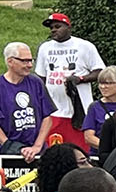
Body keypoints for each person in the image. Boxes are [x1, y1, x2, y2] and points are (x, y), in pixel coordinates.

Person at [34, 12, 103, 148]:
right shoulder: (45, 48)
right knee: (54, 151)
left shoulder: (84, 46)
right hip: (54, 111)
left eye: (58, 26)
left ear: (68, 27)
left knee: (80, 152)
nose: (54, 30)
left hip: (79, 111)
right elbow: (41, 77)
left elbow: (100, 71)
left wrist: (80, 79)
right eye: (51, 28)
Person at [0, 40, 54, 166]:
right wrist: (14, 148)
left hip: (38, 151)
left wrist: (37, 146)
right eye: (24, 61)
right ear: (10, 61)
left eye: (31, 60)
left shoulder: (36, 82)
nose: (29, 65)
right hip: (10, 153)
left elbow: (47, 117)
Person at [81, 65, 116, 155]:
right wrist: (110, 149)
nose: (103, 87)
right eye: (101, 83)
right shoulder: (94, 107)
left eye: (108, 83)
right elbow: (89, 137)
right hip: (100, 156)